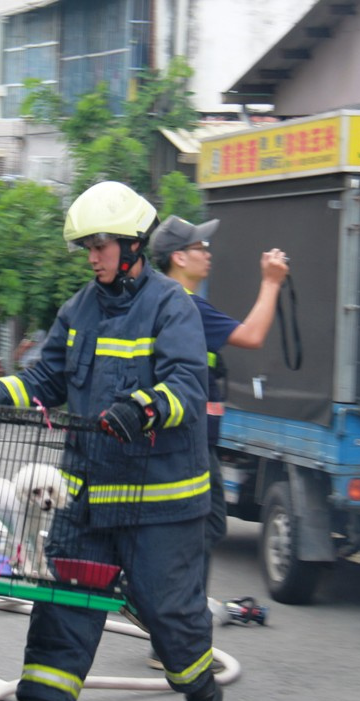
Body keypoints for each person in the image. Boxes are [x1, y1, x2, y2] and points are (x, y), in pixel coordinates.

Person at [0, 181, 218, 701]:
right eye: (87, 246)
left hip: (160, 505)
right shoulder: (80, 308)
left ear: (134, 245)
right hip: (87, 501)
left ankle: (201, 695)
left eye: (101, 245)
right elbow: (43, 381)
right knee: (64, 609)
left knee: (169, 616)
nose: (92, 257)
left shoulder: (171, 306)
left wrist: (140, 409)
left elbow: (187, 386)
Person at [144, 215, 290, 667]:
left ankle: (172, 631)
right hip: (186, 442)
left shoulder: (157, 299)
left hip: (177, 439)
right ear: (178, 257)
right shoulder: (182, 304)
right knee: (198, 530)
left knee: (196, 531)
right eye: (200, 246)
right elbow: (251, 335)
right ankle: (174, 637)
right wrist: (271, 283)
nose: (208, 253)